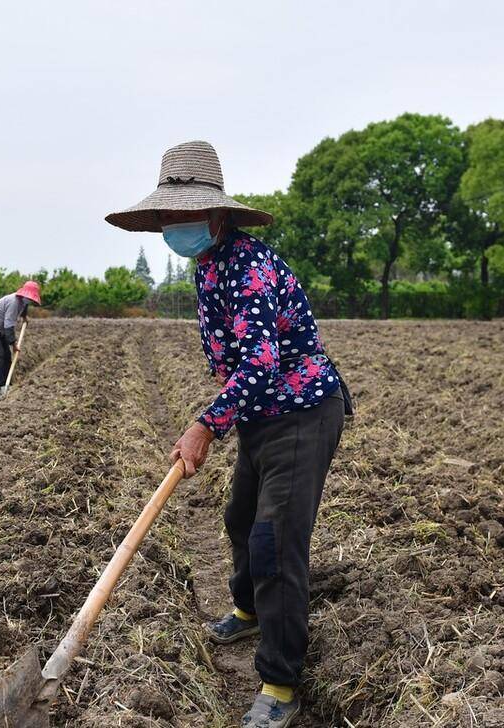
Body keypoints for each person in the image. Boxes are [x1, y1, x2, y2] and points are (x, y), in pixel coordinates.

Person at [106, 141, 353, 728]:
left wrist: (204, 424)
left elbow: (260, 363)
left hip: (300, 414)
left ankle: (280, 685)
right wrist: (225, 416)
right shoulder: (210, 265)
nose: (171, 226)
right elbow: (236, 363)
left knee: (274, 543)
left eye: (179, 215)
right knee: (240, 518)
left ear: (214, 215)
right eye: (165, 215)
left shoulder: (246, 267)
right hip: (262, 415)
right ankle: (246, 611)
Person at [0, 281, 41, 390]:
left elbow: (24, 307)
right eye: (29, 298)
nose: (29, 301)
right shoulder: (14, 302)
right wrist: (13, 344)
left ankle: (8, 382)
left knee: (7, 356)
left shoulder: (23, 301)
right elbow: (9, 325)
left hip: (0, 326)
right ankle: (1, 385)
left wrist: (24, 317)